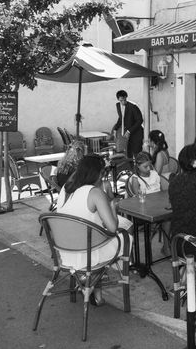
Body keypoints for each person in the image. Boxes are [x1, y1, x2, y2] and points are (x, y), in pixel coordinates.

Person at [56, 154, 132, 306]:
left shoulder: (66, 188)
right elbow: (112, 228)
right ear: (98, 173)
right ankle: (95, 278)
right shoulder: (94, 192)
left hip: (65, 252)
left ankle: (94, 286)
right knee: (126, 235)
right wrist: (112, 208)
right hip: (88, 254)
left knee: (95, 235)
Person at [112, 90, 144, 158]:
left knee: (137, 153)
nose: (123, 102)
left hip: (137, 133)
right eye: (121, 100)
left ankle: (139, 168)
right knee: (128, 154)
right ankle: (131, 168)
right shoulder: (118, 105)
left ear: (126, 97)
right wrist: (115, 129)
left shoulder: (133, 106)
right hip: (128, 134)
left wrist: (129, 131)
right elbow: (121, 118)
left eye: (124, 100)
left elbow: (140, 120)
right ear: (118, 99)